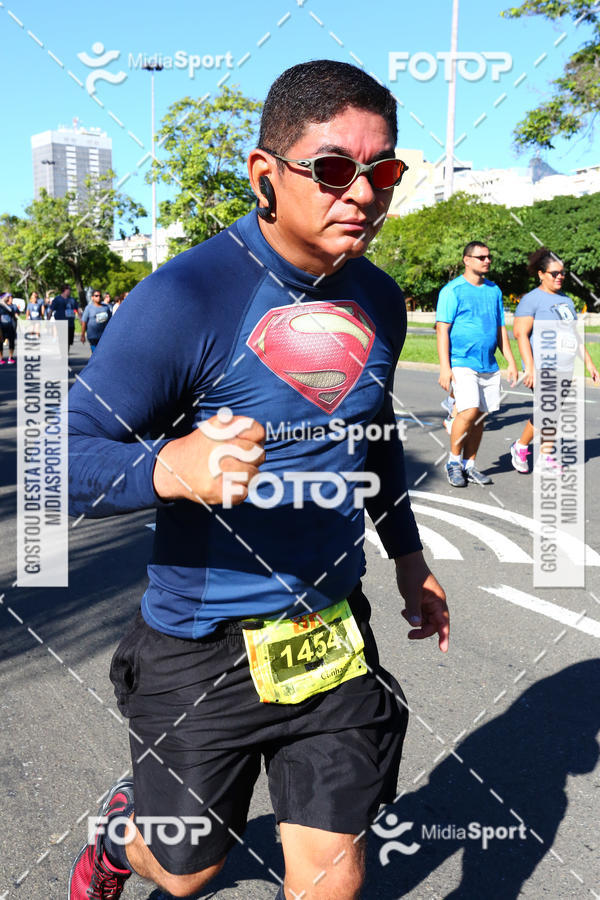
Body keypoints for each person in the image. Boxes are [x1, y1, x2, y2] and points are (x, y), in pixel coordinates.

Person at [67, 60, 449, 900]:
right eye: (335, 169)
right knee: (186, 869)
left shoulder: (380, 301)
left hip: (330, 639)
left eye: (382, 171)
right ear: (264, 174)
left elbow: (371, 439)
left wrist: (408, 559)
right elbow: (59, 454)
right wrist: (168, 466)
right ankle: (119, 842)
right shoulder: (187, 298)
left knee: (333, 877)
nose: (363, 194)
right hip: (202, 646)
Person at [510, 247, 599, 474]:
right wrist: (530, 368)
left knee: (553, 411)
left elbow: (574, 335)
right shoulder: (531, 300)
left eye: (562, 273)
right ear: (541, 274)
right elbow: (520, 334)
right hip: (542, 366)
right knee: (547, 410)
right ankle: (521, 447)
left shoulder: (566, 301)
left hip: (565, 366)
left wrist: (589, 363)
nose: (559, 277)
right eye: (554, 273)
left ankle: (544, 458)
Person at [436, 242, 518, 487]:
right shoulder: (453, 290)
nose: (487, 261)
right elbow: (442, 330)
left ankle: (469, 465)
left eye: (489, 257)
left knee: (480, 416)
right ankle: (453, 462)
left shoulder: (494, 290)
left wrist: (511, 362)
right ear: (467, 260)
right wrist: (444, 367)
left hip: (489, 364)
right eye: (481, 257)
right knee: (469, 411)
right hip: (462, 362)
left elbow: (500, 328)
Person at [51, 283, 80, 348]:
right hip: (61, 323)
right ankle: (63, 355)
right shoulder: (57, 299)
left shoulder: (72, 300)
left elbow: (78, 310)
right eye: (69, 289)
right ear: (65, 290)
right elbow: (51, 310)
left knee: (69, 342)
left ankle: (65, 353)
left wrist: (80, 319)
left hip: (70, 324)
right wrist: (48, 319)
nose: (70, 291)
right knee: (62, 341)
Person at [0, 292, 18, 364]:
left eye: (9, 297)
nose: (8, 298)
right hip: (2, 326)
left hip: (11, 326)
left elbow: (15, 316)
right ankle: (1, 358)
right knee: (0, 342)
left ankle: (10, 357)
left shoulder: (13, 306)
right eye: (7, 297)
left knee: (12, 342)